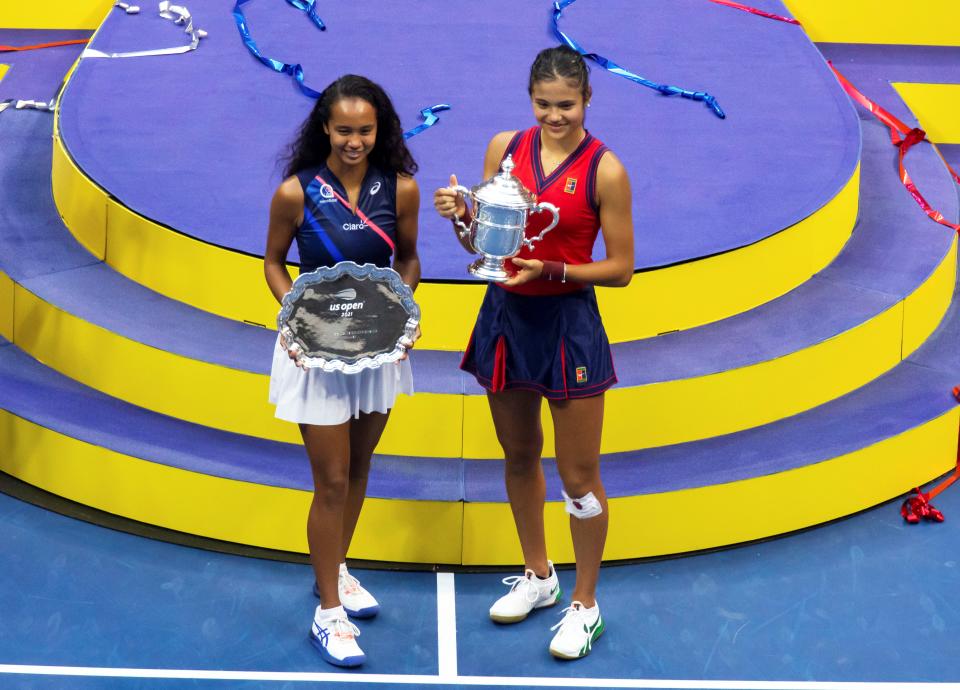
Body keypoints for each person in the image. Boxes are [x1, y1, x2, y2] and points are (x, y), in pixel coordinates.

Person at [433, 45, 634, 659]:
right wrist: (459, 216)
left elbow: (622, 268)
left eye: (566, 106)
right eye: (544, 105)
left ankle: (586, 604)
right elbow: (485, 241)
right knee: (519, 455)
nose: (555, 116)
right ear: (530, 101)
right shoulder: (503, 149)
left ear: (588, 101)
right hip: (506, 319)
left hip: (569, 324)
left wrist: (551, 266)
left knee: (579, 477)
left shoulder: (606, 171)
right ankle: (540, 576)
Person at [264, 74, 421, 668]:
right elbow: (274, 263)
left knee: (358, 468)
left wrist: (401, 315)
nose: (354, 141)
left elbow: (407, 259)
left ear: (379, 130)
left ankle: (335, 567)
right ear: (324, 129)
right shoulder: (295, 192)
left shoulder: (400, 188)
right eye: (343, 130)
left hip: (376, 351)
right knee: (330, 480)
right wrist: (295, 320)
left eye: (365, 130)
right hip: (315, 353)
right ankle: (328, 613)